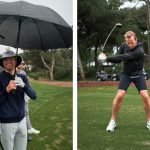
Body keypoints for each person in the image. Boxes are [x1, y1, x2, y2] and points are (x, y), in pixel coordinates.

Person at [98, 31, 150, 132]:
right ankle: (112, 121)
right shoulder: (123, 45)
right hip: (126, 75)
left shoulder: (140, 49)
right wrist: (105, 58)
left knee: (145, 96)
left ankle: (149, 121)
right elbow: (118, 58)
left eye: (131, 42)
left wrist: (106, 58)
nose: (130, 45)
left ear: (136, 39)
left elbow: (126, 57)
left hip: (139, 75)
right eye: (128, 43)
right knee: (119, 96)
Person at [0, 50, 36, 150]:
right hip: (7, 123)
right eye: (5, 59)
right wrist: (6, 90)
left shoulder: (22, 77)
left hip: (22, 121)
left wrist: (24, 86)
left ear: (16, 61)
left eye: (11, 59)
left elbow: (34, 96)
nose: (8, 61)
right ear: (3, 63)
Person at [16, 60, 40, 136]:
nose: (23, 65)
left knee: (25, 113)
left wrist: (27, 95)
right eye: (22, 64)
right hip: (16, 98)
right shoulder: (14, 72)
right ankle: (27, 129)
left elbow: (28, 87)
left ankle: (28, 129)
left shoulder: (22, 73)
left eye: (24, 64)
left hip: (24, 96)